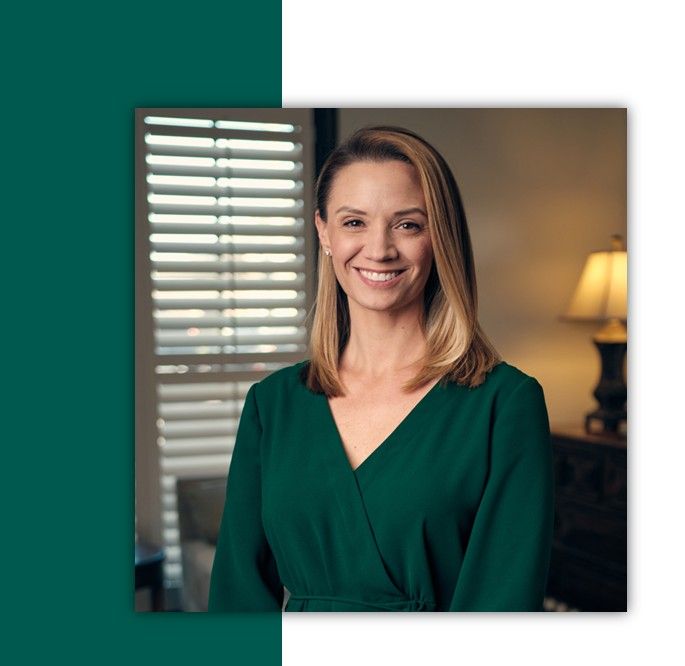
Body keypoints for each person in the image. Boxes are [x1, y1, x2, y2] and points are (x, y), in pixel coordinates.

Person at [207, 126, 554, 612]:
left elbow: (504, 604)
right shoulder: (272, 405)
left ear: (441, 236)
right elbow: (237, 597)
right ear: (323, 231)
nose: (379, 249)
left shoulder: (504, 404)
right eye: (354, 222)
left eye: (408, 224)